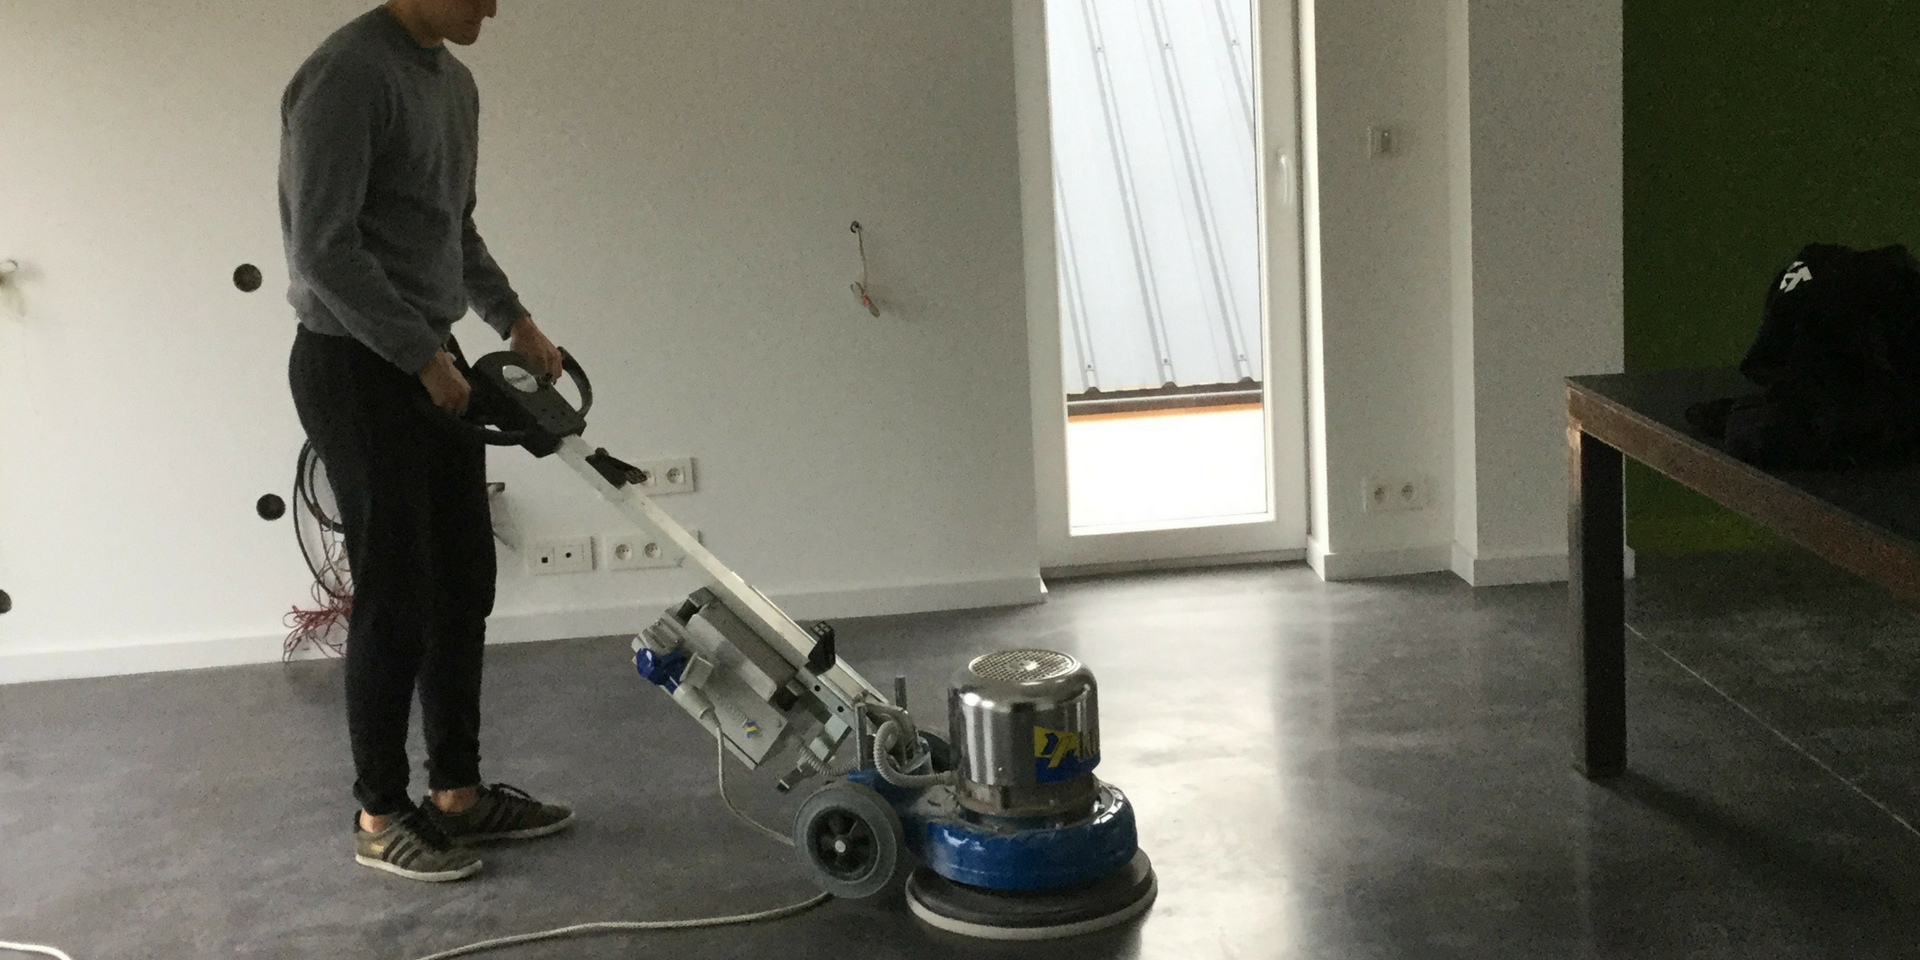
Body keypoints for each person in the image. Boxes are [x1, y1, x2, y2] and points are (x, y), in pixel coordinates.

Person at [280, 0, 571, 882]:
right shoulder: (347, 76)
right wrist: (418, 355)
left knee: (462, 579)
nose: (492, 6)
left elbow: (454, 228)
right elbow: (323, 247)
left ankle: (457, 794)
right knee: (397, 590)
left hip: (429, 357)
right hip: (354, 364)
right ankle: (379, 813)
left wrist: (513, 319)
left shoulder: (455, 83)